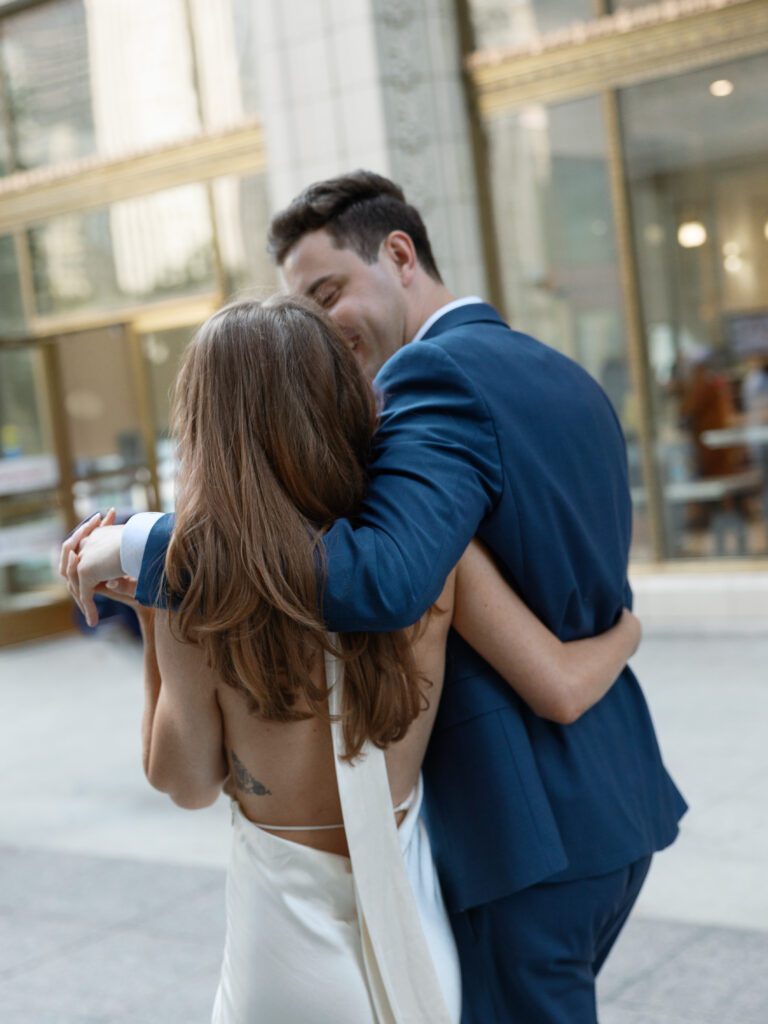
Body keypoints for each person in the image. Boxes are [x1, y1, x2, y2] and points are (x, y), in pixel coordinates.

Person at [65, 171, 686, 1024]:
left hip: (508, 851)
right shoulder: (561, 378)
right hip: (601, 813)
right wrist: (629, 631)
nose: (336, 330)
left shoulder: (424, 400)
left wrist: (146, 560)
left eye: (329, 293)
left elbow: (189, 774)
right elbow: (558, 674)